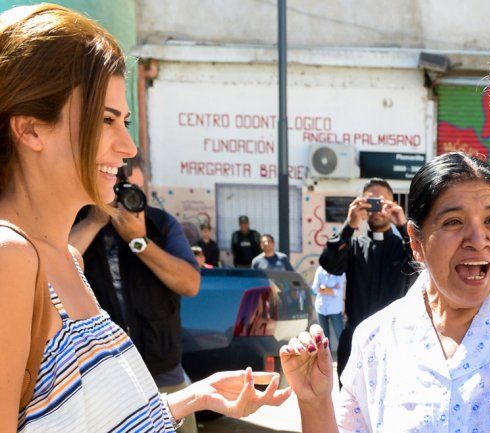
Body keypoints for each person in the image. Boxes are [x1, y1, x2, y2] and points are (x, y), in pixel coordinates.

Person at [1, 5, 290, 432]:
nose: (128, 146)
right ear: (30, 130)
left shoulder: (67, 259)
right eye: (106, 120)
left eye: (126, 121)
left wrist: (194, 396)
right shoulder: (10, 258)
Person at [280, 152, 490, 432]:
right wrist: (314, 401)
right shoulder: (377, 340)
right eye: (454, 221)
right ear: (416, 242)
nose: (477, 238)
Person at [71, 159, 205, 433]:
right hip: (101, 376)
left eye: (136, 189)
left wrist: (139, 241)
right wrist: (95, 220)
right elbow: (49, 268)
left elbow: (190, 284)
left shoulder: (160, 224)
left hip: (162, 371)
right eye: (120, 187)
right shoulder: (78, 219)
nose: (127, 197)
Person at [319, 177, 416, 381]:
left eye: (382, 202)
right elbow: (330, 264)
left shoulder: (404, 248)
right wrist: (349, 224)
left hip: (395, 342)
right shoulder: (353, 245)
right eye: (371, 202)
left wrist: (403, 225)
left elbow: (421, 265)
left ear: (393, 205)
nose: (376, 208)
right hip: (355, 341)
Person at [310, 266, 345, 346]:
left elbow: (338, 292)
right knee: (324, 339)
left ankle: (345, 357)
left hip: (335, 309)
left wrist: (323, 287)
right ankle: (327, 358)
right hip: (321, 308)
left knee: (341, 335)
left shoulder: (340, 272)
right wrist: (331, 289)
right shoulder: (320, 270)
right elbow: (314, 289)